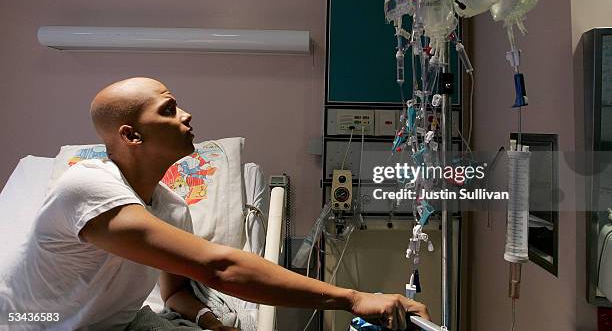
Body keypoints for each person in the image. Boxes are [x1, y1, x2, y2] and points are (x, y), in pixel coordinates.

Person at [0, 77, 429, 330]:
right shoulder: (86, 185)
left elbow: (175, 295)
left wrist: (211, 322)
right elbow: (219, 267)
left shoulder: (169, 207)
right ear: (131, 136)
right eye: (168, 110)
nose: (186, 115)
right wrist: (353, 298)